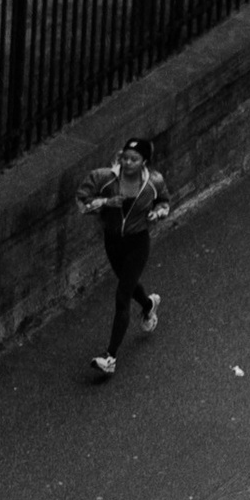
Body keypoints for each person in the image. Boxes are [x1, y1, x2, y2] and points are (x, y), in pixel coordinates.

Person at [77, 138, 171, 381]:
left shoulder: (153, 182)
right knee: (127, 286)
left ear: (144, 162)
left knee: (122, 295)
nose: (128, 163)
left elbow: (164, 201)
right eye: (125, 158)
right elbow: (82, 203)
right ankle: (149, 305)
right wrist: (106, 202)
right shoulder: (104, 177)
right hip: (113, 242)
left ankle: (110, 357)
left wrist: (158, 213)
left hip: (138, 243)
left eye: (134, 159)